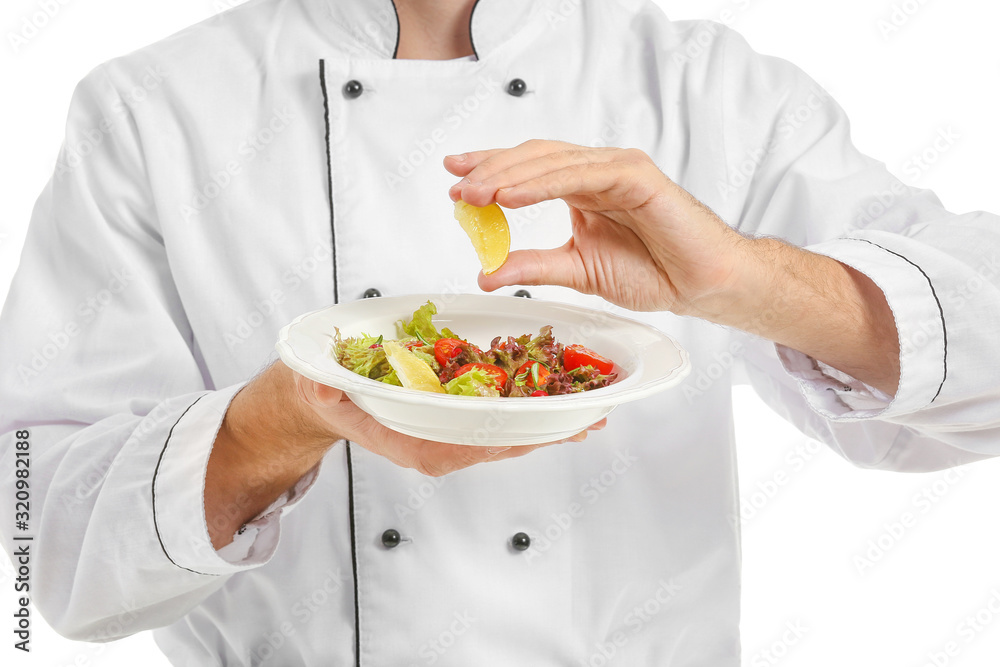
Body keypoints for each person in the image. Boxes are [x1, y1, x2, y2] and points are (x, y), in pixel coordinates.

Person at [2, 0, 998, 664]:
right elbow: (38, 542)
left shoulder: (704, 86)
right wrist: (272, 427)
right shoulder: (150, 111)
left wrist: (743, 278)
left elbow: (983, 357)